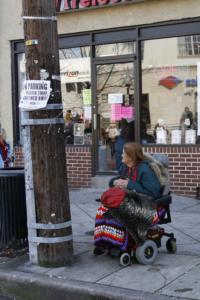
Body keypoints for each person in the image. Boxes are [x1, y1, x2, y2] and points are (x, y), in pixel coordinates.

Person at [94, 142, 166, 255]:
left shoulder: (145, 170)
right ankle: (104, 242)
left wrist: (129, 185)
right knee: (103, 210)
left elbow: (153, 194)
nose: (121, 155)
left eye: (123, 153)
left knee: (119, 214)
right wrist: (115, 182)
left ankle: (119, 246)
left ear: (131, 157)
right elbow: (115, 180)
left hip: (150, 207)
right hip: (131, 203)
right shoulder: (126, 167)